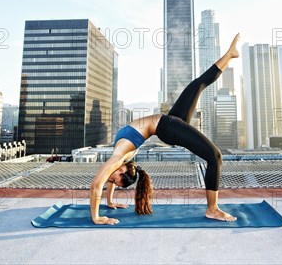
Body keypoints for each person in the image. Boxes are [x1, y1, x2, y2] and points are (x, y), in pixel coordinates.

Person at [90, 33, 241, 225]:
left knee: (198, 84)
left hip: (167, 124)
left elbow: (96, 185)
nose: (110, 182)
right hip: (167, 127)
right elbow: (107, 180)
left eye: (114, 181)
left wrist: (98, 215)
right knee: (215, 156)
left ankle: (230, 54)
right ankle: (212, 209)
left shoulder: (119, 157)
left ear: (121, 171)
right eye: (114, 183)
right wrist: (109, 201)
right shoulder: (121, 159)